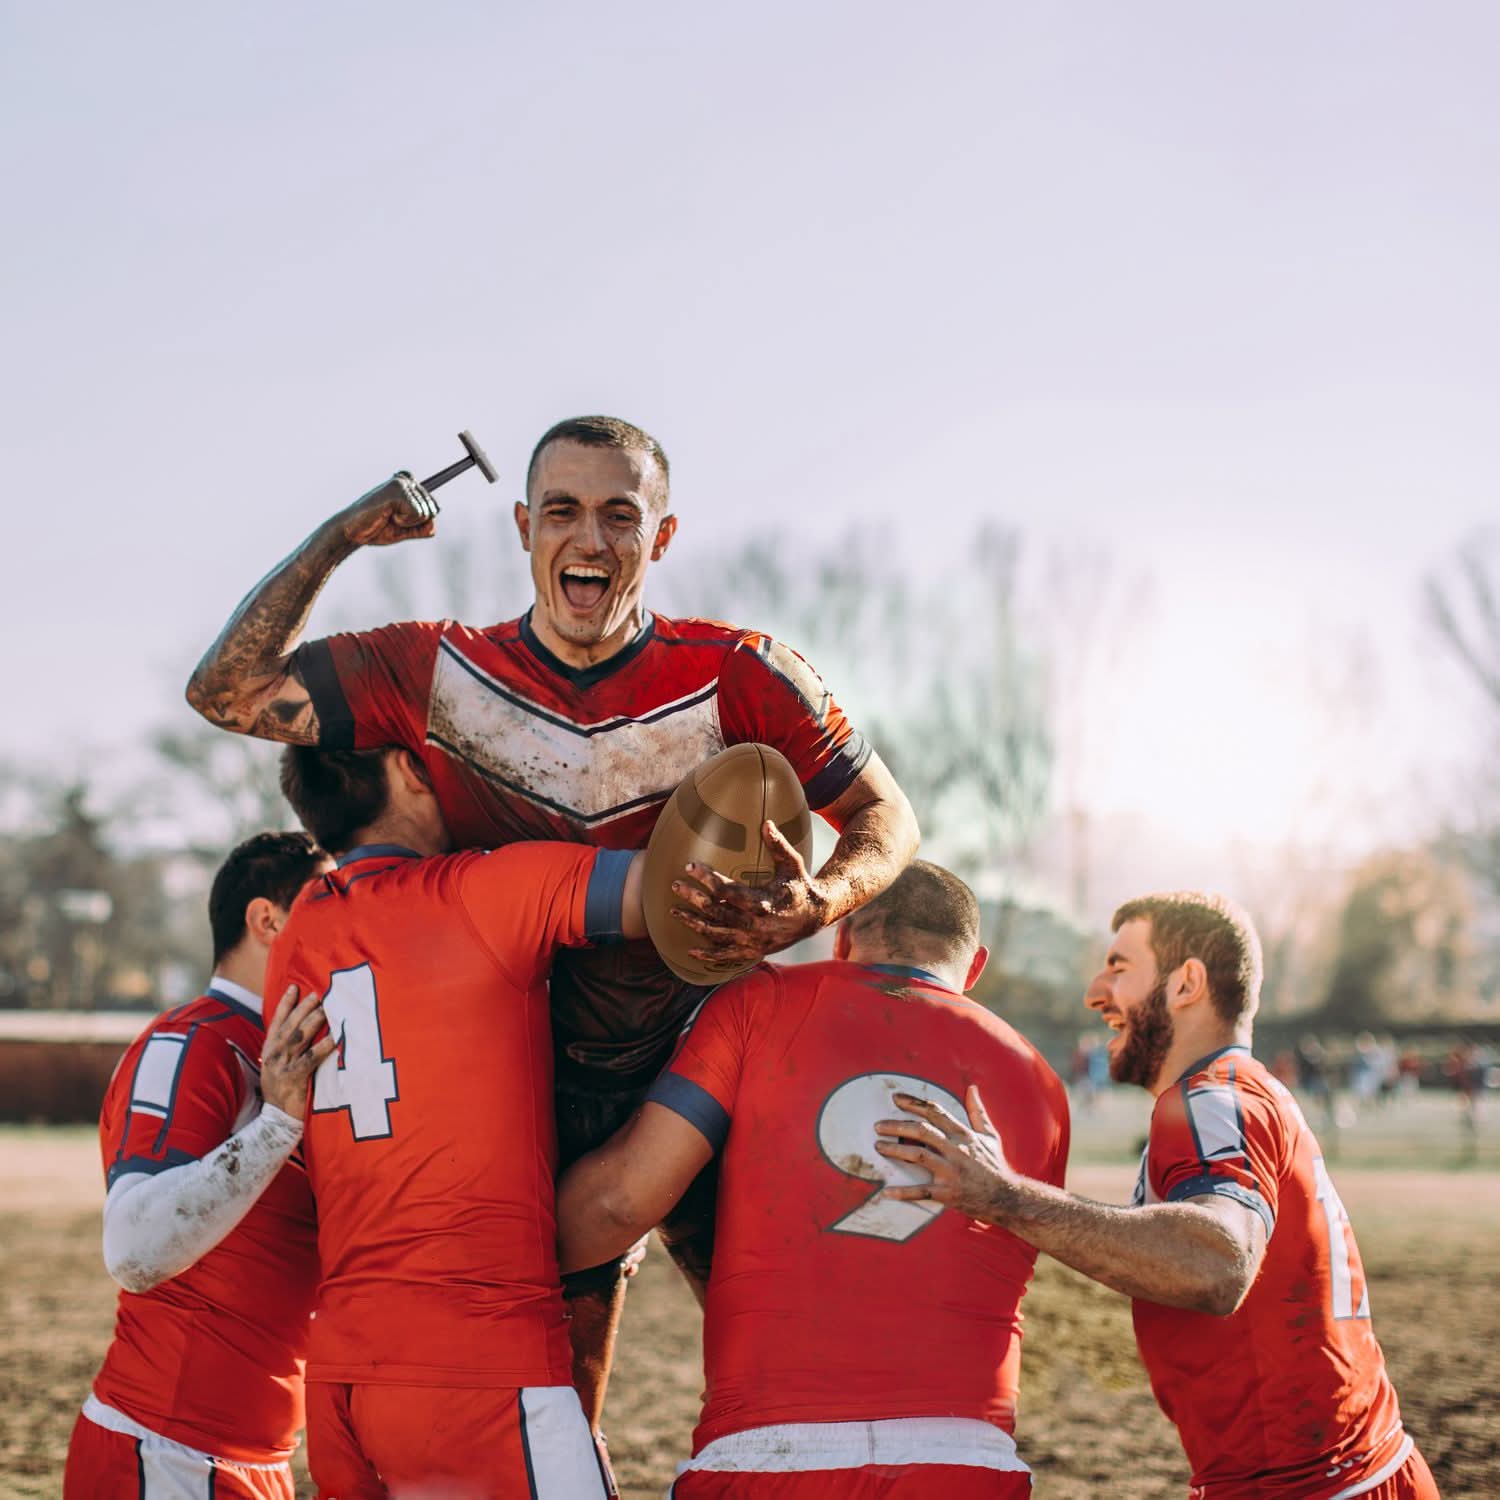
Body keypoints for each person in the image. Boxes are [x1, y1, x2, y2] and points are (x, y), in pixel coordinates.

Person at [184, 413, 920, 1419]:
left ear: (660, 537)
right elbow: (229, 689)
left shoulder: (741, 671)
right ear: (524, 526)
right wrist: (344, 537)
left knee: (803, 1373)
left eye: (621, 515)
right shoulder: (437, 671)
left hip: (696, 1059)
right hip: (517, 1094)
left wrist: (820, 900)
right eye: (563, 511)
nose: (590, 538)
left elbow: (887, 813)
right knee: (551, 1409)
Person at [876, 891, 1438, 1500]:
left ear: (1186, 983)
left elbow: (1217, 1262)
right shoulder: (1237, 1091)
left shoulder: (1209, 1100)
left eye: (1119, 967)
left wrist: (1002, 1194)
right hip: (1340, 1474)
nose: (1096, 992)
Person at [555, 861, 1069, 1498]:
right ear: (974, 967)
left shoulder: (760, 1001)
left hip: (768, 1452)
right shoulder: (1041, 1081)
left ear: (842, 938)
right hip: (967, 1458)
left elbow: (619, 1202)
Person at [268, 741, 653, 1499]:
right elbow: (675, 891)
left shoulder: (299, 933)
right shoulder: (481, 891)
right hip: (483, 1369)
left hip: (344, 1378)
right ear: (410, 771)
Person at [64, 832, 333, 1500]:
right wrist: (277, 1125)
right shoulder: (192, 1041)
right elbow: (134, 1248)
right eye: (322, 906)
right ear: (267, 920)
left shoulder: (285, 1046)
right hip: (166, 1446)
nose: (345, 926)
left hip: (255, 1454)